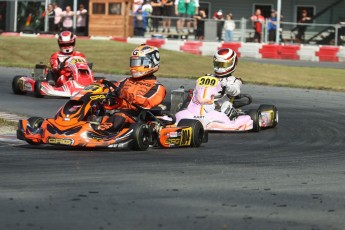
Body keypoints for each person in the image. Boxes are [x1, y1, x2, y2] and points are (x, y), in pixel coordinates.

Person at [175, 48, 252, 130]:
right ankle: (190, 115)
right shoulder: (208, 76)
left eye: (223, 65)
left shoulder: (235, 80)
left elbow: (235, 91)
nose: (219, 67)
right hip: (204, 103)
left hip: (220, 106)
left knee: (226, 106)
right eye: (217, 64)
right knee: (189, 98)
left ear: (232, 63)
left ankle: (231, 118)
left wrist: (226, 86)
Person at [99, 44, 166, 132]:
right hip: (115, 114)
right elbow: (114, 95)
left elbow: (147, 103)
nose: (134, 66)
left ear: (150, 63)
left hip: (137, 118)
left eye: (138, 62)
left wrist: (124, 94)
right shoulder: (125, 81)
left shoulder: (157, 87)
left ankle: (100, 131)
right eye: (133, 62)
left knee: (120, 116)